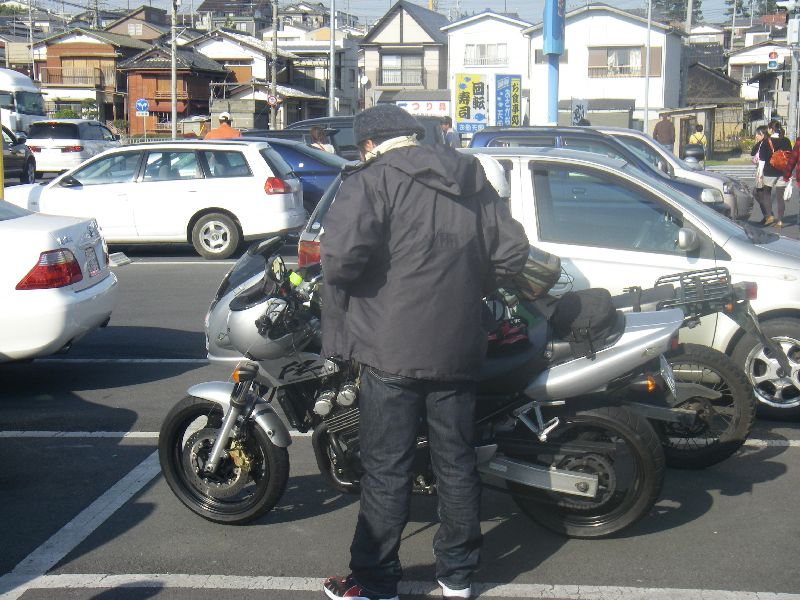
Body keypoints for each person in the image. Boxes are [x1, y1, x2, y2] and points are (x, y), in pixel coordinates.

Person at [320, 104, 529, 600]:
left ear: (369, 144)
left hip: (390, 347)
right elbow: (512, 253)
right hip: (458, 345)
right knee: (455, 461)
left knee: (387, 469)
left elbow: (341, 261)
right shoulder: (470, 176)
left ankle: (375, 582)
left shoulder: (371, 180)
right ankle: (457, 577)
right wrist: (473, 283)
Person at [757, 119, 792, 227]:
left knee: (766, 193)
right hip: (782, 172)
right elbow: (790, 157)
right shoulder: (786, 140)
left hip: (769, 172)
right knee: (780, 197)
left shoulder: (766, 141)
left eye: (768, 128)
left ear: (771, 129)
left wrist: (760, 174)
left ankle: (769, 215)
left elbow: (762, 160)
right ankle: (780, 221)